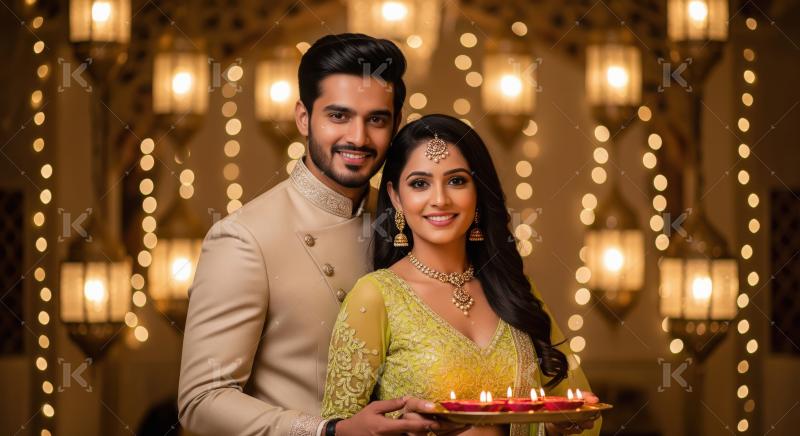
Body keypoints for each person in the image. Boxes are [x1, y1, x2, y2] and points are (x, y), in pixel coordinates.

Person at [178, 33, 441, 436]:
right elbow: (201, 400)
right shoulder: (244, 238)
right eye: (338, 116)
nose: (357, 137)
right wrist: (327, 432)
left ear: (397, 124)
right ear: (303, 117)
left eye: (376, 119)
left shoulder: (408, 220)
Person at [321, 114, 603, 435]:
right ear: (396, 196)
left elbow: (575, 408)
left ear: (478, 191)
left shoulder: (513, 290)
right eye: (419, 183)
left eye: (456, 180)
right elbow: (342, 428)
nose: (440, 200)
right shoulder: (375, 296)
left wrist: (558, 426)